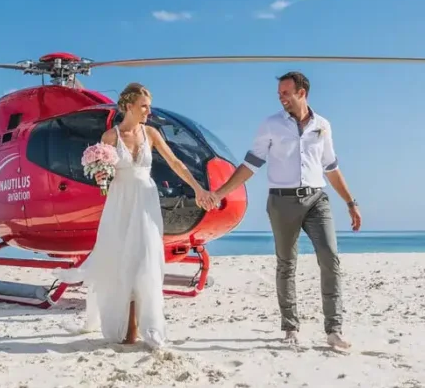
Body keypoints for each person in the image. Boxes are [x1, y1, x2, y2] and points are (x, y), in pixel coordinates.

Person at [53, 82, 219, 349]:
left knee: (144, 260)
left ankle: (142, 325)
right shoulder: (109, 138)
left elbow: (175, 162)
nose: (148, 111)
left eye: (149, 106)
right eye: (144, 106)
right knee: (121, 262)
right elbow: (103, 178)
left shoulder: (151, 133)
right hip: (119, 204)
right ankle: (126, 327)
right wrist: (100, 176)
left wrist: (199, 188)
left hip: (145, 203)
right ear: (128, 106)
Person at [213, 71, 361, 351]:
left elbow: (331, 167)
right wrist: (221, 192)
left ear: (301, 93)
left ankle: (334, 330)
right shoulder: (270, 125)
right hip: (282, 202)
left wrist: (351, 202)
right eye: (279, 94)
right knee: (286, 264)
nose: (281, 98)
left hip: (317, 199)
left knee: (330, 259)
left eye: (285, 93)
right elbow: (251, 164)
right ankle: (290, 327)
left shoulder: (323, 125)